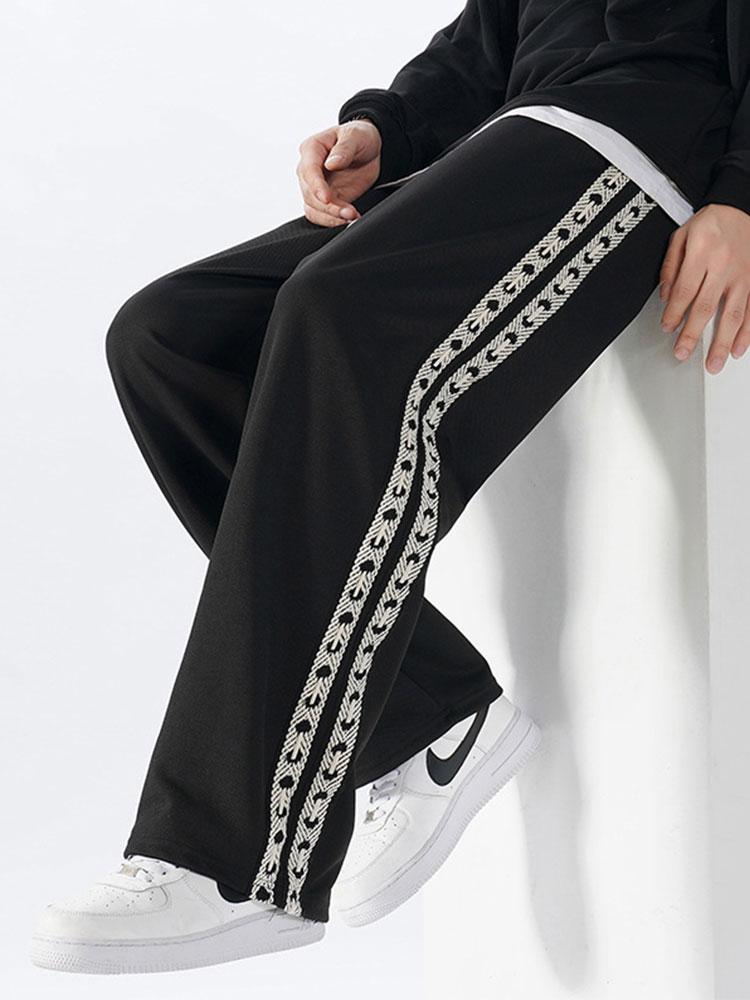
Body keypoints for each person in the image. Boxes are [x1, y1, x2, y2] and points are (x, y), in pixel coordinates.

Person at [30, 0, 750, 975]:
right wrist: (389, 127)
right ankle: (430, 711)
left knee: (337, 314)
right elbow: (495, 32)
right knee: (171, 338)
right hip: (520, 132)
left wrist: (743, 195)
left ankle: (235, 859)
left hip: (644, 141)